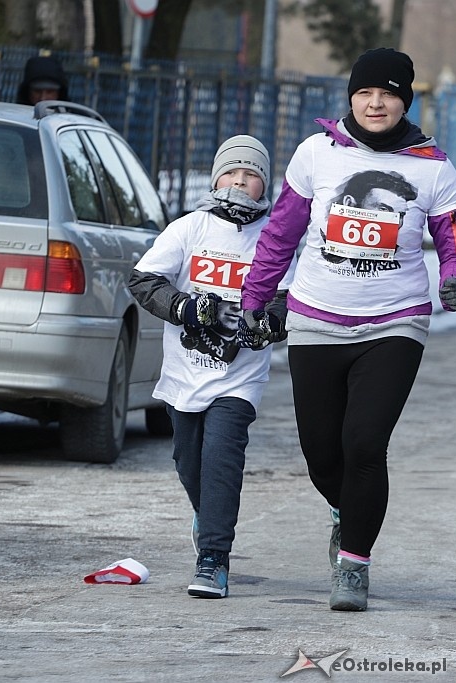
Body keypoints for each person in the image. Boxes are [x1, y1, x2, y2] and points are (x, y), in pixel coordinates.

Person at [237, 47, 456, 611]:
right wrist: (256, 295)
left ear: (404, 101)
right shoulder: (315, 156)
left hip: (395, 323)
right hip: (316, 316)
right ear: (351, 97)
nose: (376, 103)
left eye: (389, 94)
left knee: (364, 443)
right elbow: (281, 233)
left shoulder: (433, 166)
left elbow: (455, 238)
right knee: (322, 452)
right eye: (366, 93)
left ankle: (354, 565)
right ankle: (347, 512)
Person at [128, 135, 291, 599]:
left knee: (222, 458)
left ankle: (213, 560)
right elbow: (144, 281)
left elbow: (287, 297)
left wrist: (268, 324)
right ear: (217, 176)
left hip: (240, 375)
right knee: (189, 460)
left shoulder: (274, 237)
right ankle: (208, 515)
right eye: (232, 173)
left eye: (252, 174)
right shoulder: (189, 228)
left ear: (266, 184)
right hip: (185, 373)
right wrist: (186, 307)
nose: (241, 182)